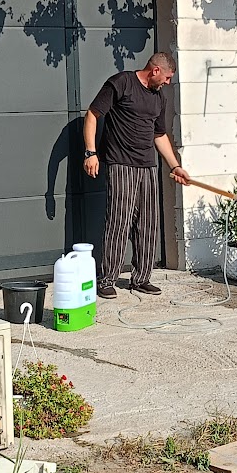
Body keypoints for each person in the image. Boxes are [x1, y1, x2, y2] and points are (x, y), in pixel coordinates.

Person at [82, 52, 190, 299]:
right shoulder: (121, 83)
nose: (167, 83)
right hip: (121, 164)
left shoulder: (158, 98)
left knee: (148, 224)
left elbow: (159, 135)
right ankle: (107, 279)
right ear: (155, 71)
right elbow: (92, 115)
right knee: (118, 222)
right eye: (167, 77)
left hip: (148, 167)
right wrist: (90, 152)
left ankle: (141, 278)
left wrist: (175, 166)